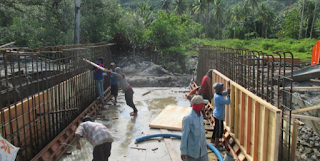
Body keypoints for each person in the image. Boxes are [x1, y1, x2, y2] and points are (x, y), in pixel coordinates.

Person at [180, 95, 209, 161]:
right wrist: (183, 152)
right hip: (192, 152)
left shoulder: (200, 116)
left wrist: (205, 143)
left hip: (202, 151)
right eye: (202, 105)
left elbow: (202, 132)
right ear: (199, 106)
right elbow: (184, 136)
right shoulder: (188, 119)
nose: (204, 106)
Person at [211, 81, 231, 150]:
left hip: (216, 115)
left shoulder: (217, 94)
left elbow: (224, 93)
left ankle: (213, 140)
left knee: (216, 128)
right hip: (219, 116)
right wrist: (228, 95)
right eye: (222, 88)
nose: (223, 89)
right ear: (220, 89)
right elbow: (228, 102)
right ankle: (216, 145)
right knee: (219, 131)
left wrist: (228, 89)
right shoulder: (218, 97)